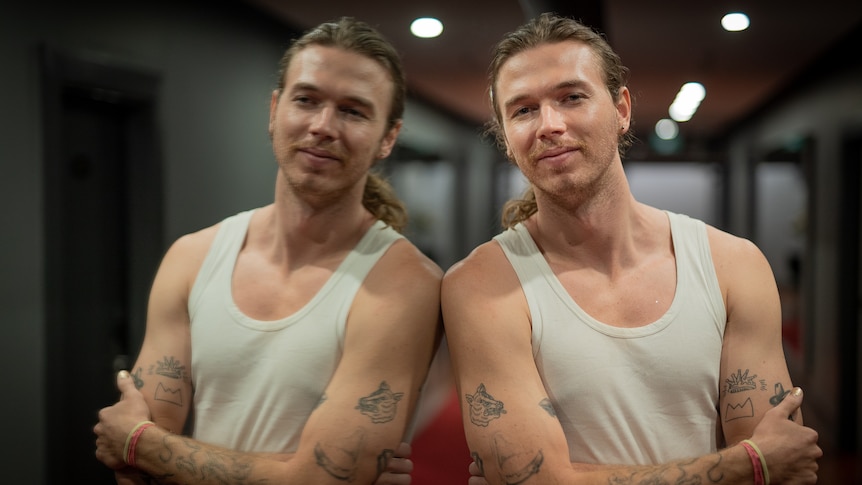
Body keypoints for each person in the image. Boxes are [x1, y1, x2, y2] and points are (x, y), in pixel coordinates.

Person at [441, 12, 821, 485]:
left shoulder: (732, 265)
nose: (549, 125)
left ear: (621, 109)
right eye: (523, 110)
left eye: (572, 97)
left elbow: (786, 473)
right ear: (506, 138)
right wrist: (748, 463)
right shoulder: (480, 286)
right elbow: (535, 480)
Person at [94, 17, 442, 485]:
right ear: (275, 109)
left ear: (388, 138)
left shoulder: (405, 285)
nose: (323, 126)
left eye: (353, 111)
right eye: (306, 100)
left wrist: (143, 443)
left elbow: (323, 479)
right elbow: (130, 475)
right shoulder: (192, 258)